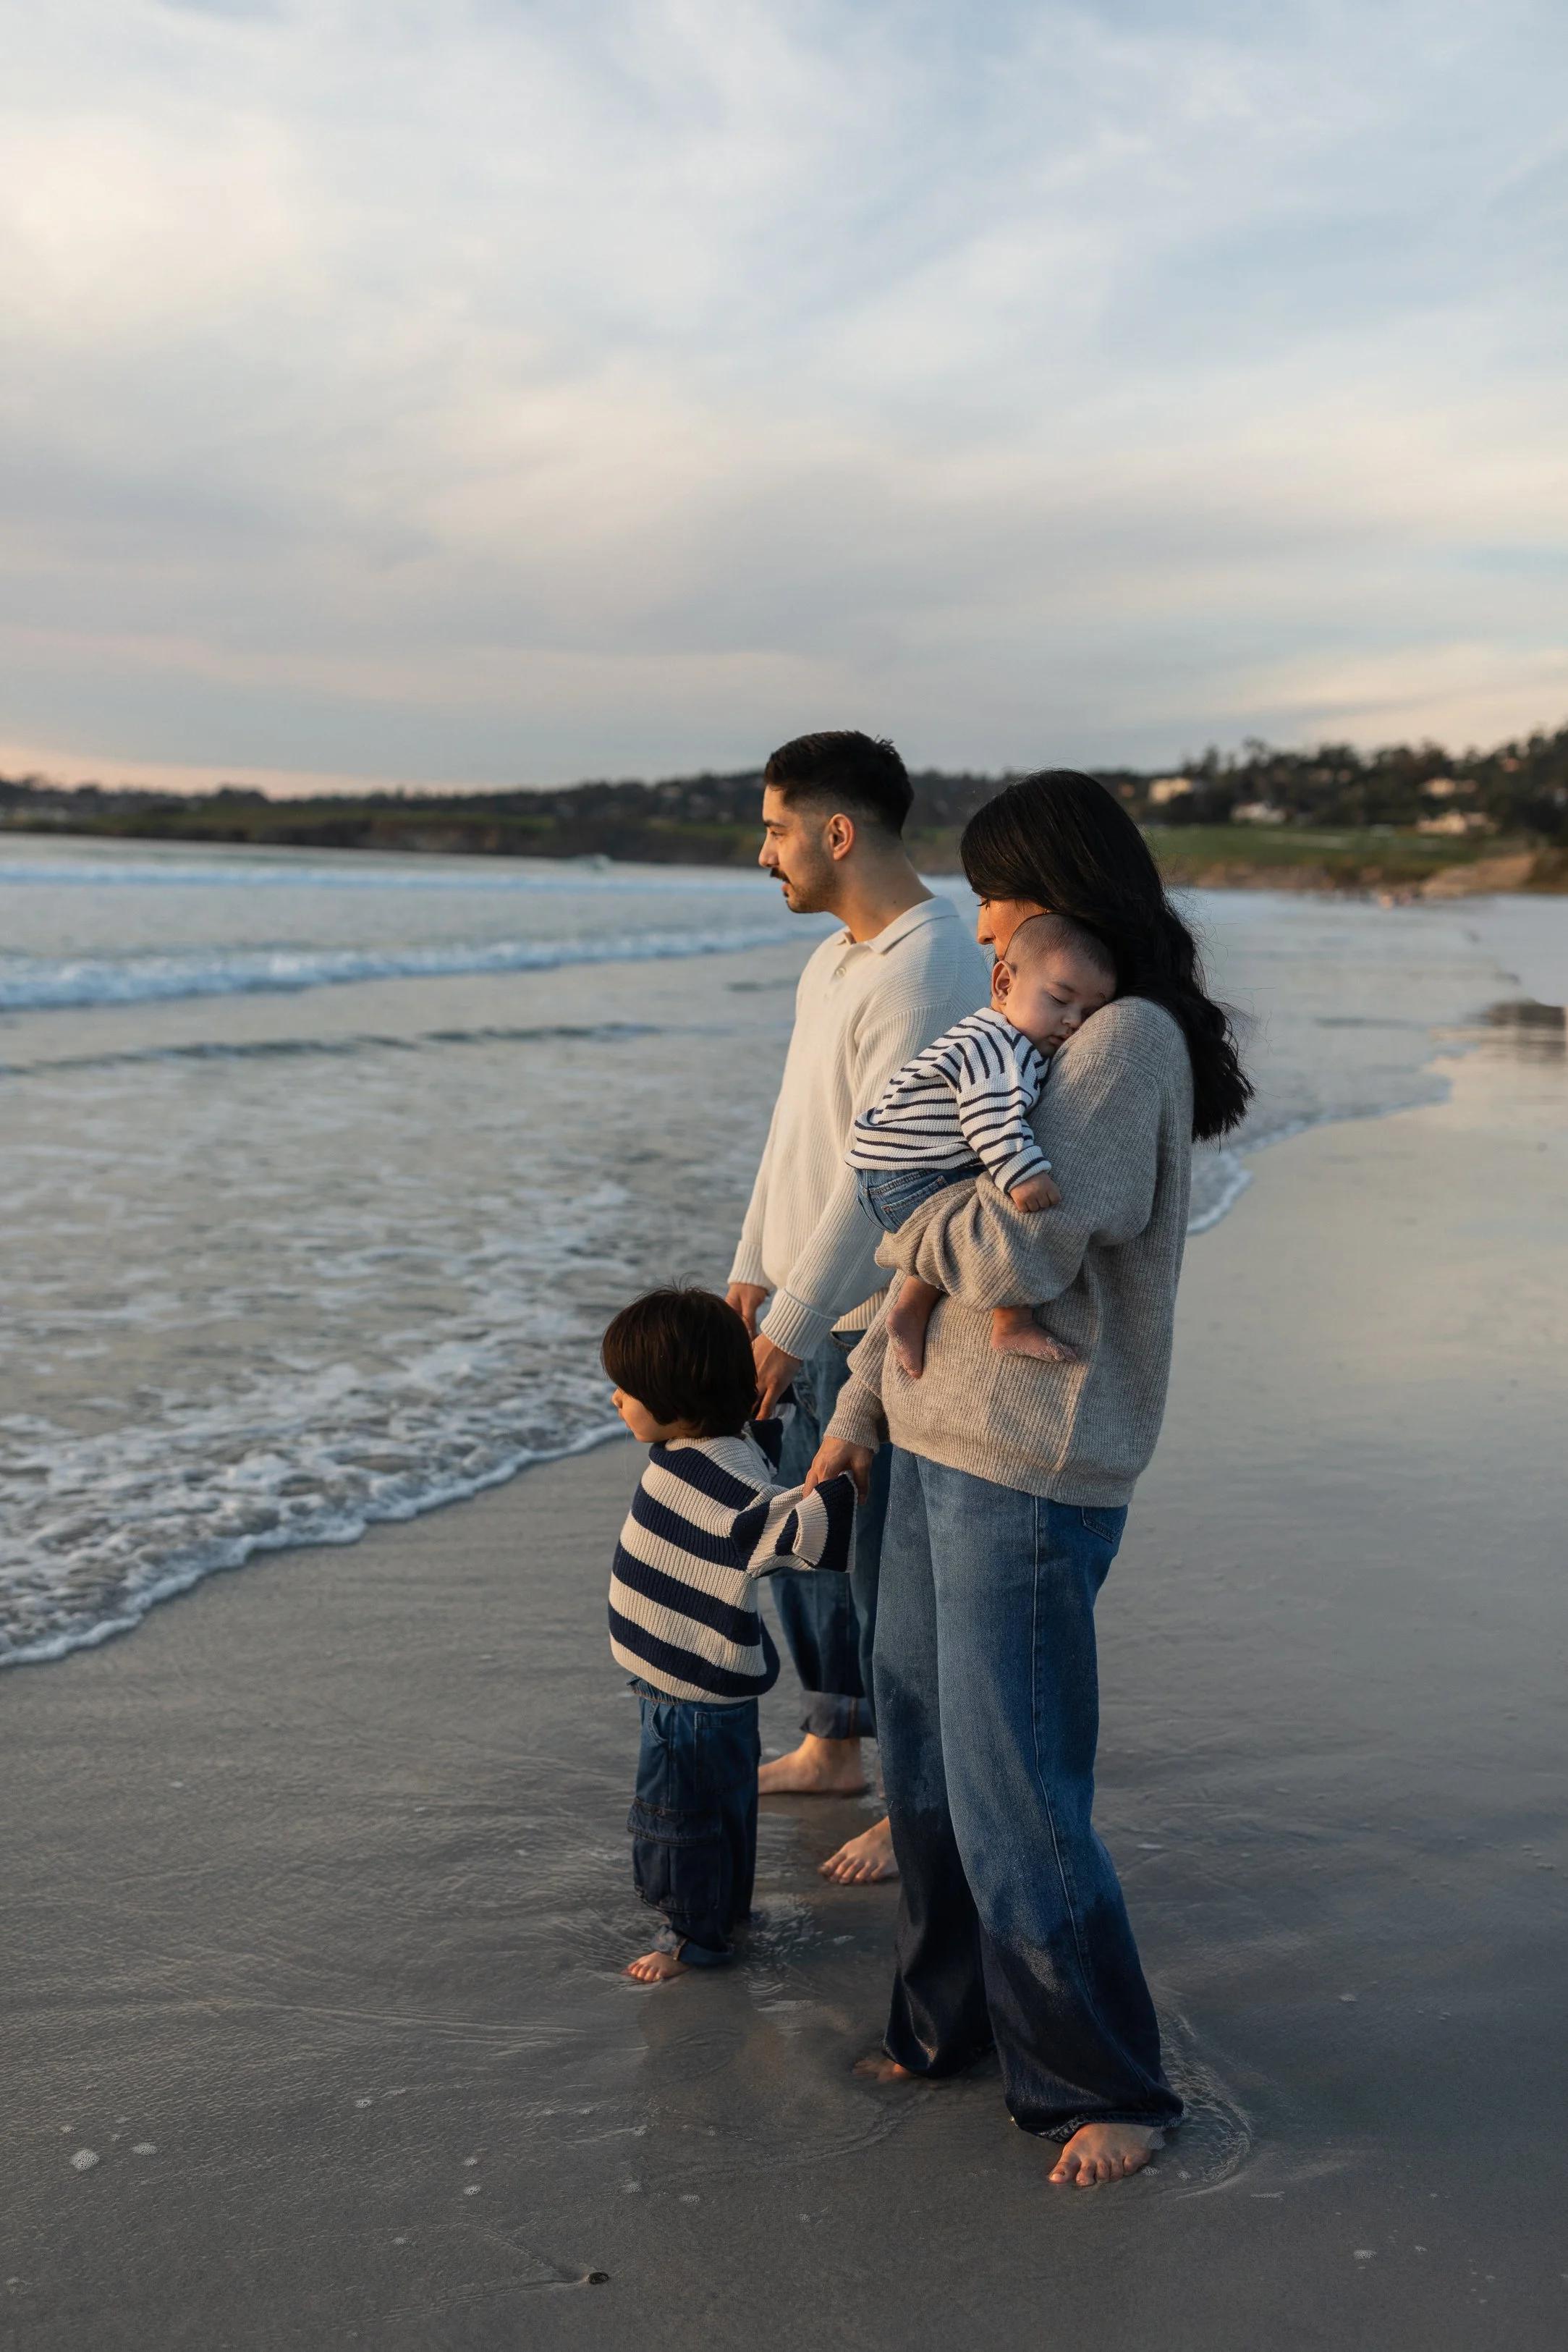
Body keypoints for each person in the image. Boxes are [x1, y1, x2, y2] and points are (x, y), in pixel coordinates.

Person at [808, 771, 1252, 2186]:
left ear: (1056, 884)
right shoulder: (1034, 1025)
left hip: (1031, 1458)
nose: (983, 919)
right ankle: (944, 2025)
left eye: (994, 889)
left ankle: (1104, 2080)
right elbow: (959, 1207)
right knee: (925, 1754)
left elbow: (1020, 1250)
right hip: (933, 1430)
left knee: (1014, 1783)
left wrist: (897, 1214)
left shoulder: (1122, 1038)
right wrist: (864, 1399)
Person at [725, 730, 989, 1887]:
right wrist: (750, 1264)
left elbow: (878, 1179)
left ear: (836, 833)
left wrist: (791, 1326)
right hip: (798, 1299)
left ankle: (911, 1804)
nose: (763, 853)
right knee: (810, 1552)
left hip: (867, 1318)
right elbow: (798, 1130)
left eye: (774, 829)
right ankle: (832, 1745)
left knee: (886, 1576)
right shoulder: (834, 960)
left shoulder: (926, 968)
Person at [602, 1287, 857, 1983]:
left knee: (679, 1820)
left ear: (679, 1398)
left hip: (688, 1696)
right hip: (689, 1686)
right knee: (725, 1811)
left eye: (627, 1390)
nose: (616, 1400)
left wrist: (835, 1494)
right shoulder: (711, 1446)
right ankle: (723, 1914)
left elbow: (776, 1528)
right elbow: (753, 1466)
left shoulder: (712, 1477)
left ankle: (693, 1939)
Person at [848, 910, 1116, 1377]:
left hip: (890, 1173)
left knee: (967, 1208)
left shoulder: (985, 1032)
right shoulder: (1003, 1047)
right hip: (911, 1178)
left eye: (1089, 1014)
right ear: (1004, 984)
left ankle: (908, 1310)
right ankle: (1013, 1320)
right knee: (1007, 1213)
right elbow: (988, 1118)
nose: (1073, 1021)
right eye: (1059, 1000)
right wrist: (1023, 1173)